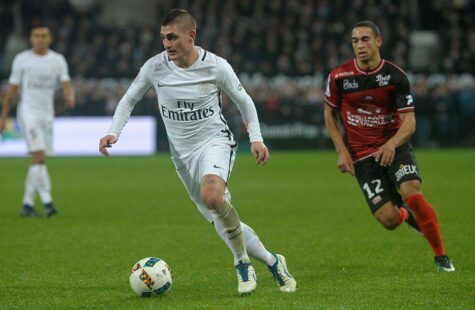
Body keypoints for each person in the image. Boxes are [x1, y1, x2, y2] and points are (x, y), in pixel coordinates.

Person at [99, 9, 296, 295]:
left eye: (172, 37)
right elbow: (129, 99)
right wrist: (113, 132)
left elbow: (244, 101)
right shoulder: (155, 67)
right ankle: (272, 260)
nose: (166, 44)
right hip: (182, 157)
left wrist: (256, 138)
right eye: (163, 38)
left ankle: (241, 262)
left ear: (191, 36)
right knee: (221, 215)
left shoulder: (216, 67)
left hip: (214, 142)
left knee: (212, 196)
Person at [324, 21, 455, 272]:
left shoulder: (395, 77)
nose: (360, 45)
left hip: (394, 148)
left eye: (365, 39)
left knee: (413, 193)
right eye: (355, 41)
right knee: (389, 220)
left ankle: (441, 256)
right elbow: (329, 113)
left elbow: (410, 122)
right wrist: (341, 150)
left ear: (378, 41)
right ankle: (405, 214)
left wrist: (392, 144)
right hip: (362, 156)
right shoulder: (339, 77)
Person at [0, 26, 75, 218]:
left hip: (47, 114)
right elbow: (12, 90)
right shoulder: (22, 60)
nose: (40, 39)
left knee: (38, 161)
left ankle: (27, 204)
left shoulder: (57, 60)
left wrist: (69, 95)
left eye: (43, 36)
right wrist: (3, 116)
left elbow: (65, 82)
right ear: (31, 39)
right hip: (28, 113)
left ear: (49, 39)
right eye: (36, 36)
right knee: (39, 156)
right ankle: (48, 202)